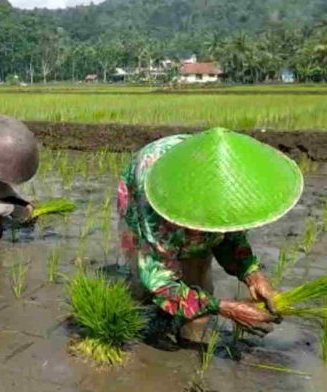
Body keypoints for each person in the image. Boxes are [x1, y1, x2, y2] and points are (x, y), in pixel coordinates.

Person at [118, 128, 303, 343]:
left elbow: (229, 237)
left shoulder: (229, 183)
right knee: (147, 284)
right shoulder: (153, 209)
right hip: (152, 183)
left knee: (199, 277)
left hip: (201, 165)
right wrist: (222, 308)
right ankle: (142, 311)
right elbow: (159, 281)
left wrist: (251, 274)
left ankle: (187, 334)